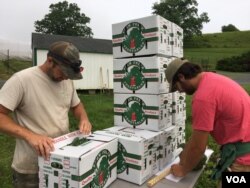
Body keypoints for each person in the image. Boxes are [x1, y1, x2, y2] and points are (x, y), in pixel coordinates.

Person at [0, 41, 92, 188]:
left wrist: (84, 118)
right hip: (31, 169)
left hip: (63, 162)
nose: (66, 78)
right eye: (63, 72)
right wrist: (31, 136)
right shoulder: (22, 80)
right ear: (50, 61)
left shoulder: (66, 81)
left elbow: (77, 105)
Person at [165, 58, 250, 186]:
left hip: (243, 162)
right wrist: (185, 155)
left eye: (177, 87)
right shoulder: (211, 79)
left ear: (181, 77)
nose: (180, 91)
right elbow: (197, 135)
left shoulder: (203, 98)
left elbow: (199, 147)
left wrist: (182, 169)